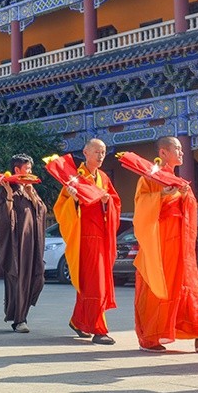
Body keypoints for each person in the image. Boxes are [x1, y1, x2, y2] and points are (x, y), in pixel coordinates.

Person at [133, 137, 198, 353]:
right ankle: (150, 337)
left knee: (188, 287)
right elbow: (142, 207)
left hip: (181, 245)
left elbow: (189, 206)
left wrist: (185, 196)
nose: (182, 152)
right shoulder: (149, 177)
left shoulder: (177, 180)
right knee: (158, 287)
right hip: (160, 244)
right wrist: (161, 195)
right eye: (177, 148)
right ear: (163, 153)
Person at [53, 138, 121, 345]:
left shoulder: (104, 178)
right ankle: (98, 329)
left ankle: (78, 321)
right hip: (84, 238)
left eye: (103, 152)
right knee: (95, 285)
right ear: (85, 152)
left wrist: (107, 202)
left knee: (91, 284)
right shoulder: (74, 178)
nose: (101, 156)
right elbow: (60, 209)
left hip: (101, 237)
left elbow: (115, 203)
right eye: (97, 152)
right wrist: (74, 199)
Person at [0, 154, 45, 333]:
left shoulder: (30, 189)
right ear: (17, 170)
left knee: (37, 278)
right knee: (19, 280)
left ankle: (21, 314)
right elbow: (3, 218)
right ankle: (19, 320)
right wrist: (9, 196)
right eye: (27, 169)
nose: (30, 172)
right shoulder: (8, 189)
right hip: (16, 246)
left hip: (32, 244)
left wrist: (31, 195)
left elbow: (41, 210)